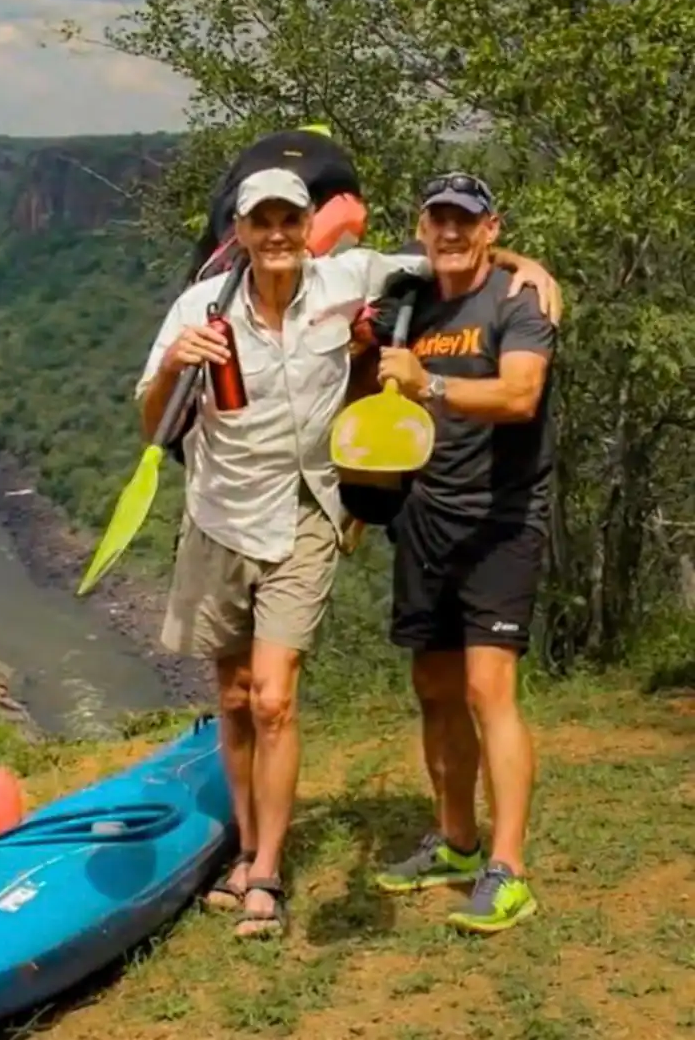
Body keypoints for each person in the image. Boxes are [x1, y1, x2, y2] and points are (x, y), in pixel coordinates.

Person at [134, 166, 559, 939]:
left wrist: (528, 266)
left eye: (289, 220)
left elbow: (490, 337)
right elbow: (156, 423)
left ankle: (484, 867)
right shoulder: (219, 307)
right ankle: (415, 841)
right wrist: (172, 365)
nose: (275, 235)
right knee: (277, 695)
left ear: (305, 226)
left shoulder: (423, 286)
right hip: (273, 514)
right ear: (241, 230)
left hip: (399, 516)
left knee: (305, 694)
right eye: (260, 221)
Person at [372, 171, 555, 934]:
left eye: (466, 221)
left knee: (489, 689)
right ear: (422, 226)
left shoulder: (520, 302)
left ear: (489, 227)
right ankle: (456, 840)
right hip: (426, 519)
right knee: (435, 687)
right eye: (438, 219)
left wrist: (430, 384)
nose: (450, 232)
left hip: (502, 522)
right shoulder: (405, 299)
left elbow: (519, 396)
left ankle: (507, 868)